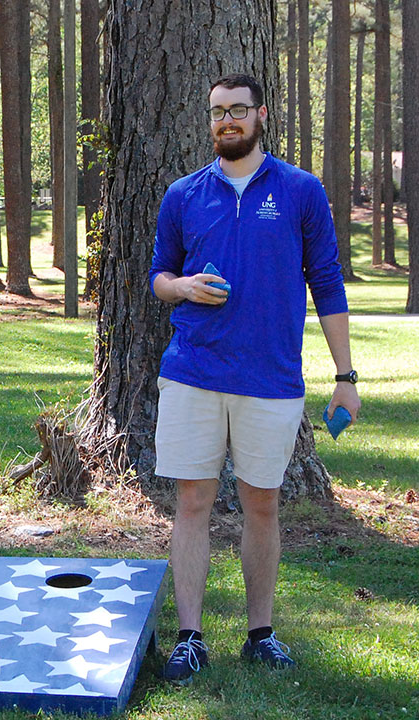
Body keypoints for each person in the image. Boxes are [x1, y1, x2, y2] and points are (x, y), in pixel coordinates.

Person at [148, 73, 361, 682]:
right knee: (191, 503)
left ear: (261, 115)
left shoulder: (299, 190)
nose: (227, 121)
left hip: (270, 378)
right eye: (218, 112)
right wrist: (182, 287)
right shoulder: (183, 195)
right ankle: (191, 636)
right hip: (193, 371)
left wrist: (345, 375)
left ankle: (260, 633)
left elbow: (327, 280)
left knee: (261, 505)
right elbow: (160, 276)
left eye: (238, 110)